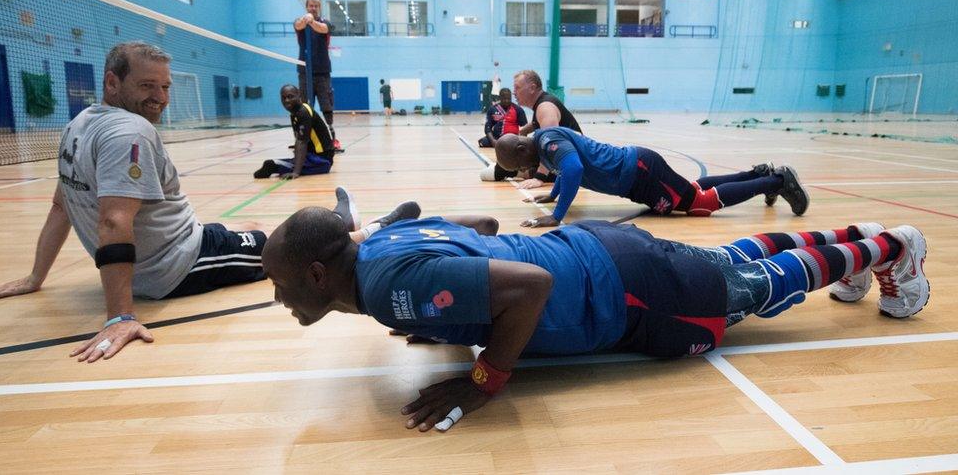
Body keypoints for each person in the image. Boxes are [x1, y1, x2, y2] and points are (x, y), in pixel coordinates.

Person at [264, 208, 929, 433]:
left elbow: (530, 287)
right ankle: (856, 234)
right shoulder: (383, 240)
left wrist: (485, 379)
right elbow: (482, 229)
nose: (278, 294)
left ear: (319, 274)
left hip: (624, 291)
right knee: (729, 261)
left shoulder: (385, 289)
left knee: (751, 285)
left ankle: (892, 245)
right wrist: (445, 309)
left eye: (280, 280)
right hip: (599, 245)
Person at [0, 42, 419, 363]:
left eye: (165, 86)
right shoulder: (129, 133)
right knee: (278, 253)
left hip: (182, 240)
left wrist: (35, 276)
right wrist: (119, 316)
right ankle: (363, 229)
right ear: (112, 82)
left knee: (250, 234)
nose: (160, 97)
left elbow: (62, 205)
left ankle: (349, 226)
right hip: (178, 265)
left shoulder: (77, 126)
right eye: (147, 85)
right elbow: (114, 222)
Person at [495, 128, 808, 227]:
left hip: (639, 173)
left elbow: (574, 168)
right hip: (638, 172)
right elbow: (566, 169)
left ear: (523, 149)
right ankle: (758, 174)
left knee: (699, 204)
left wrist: (556, 215)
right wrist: (553, 194)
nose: (524, 171)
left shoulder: (548, 142)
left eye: (520, 165)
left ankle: (779, 181)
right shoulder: (544, 145)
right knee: (693, 190)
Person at [509, 70, 582, 189]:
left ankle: (509, 171)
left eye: (517, 88)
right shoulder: (541, 104)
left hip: (574, 162)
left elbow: (551, 145)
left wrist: (539, 177)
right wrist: (522, 132)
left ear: (532, 88)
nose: (514, 92)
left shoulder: (545, 107)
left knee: (507, 169)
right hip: (568, 156)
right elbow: (537, 123)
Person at [254, 85, 334, 180]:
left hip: (322, 159)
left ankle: (278, 165)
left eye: (290, 96)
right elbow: (298, 139)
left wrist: (296, 172)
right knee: (292, 162)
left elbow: (302, 142)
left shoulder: (303, 112)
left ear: (298, 95)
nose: (287, 100)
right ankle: (281, 165)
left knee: (272, 164)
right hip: (311, 156)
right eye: (283, 98)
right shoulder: (295, 113)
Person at [295, 0, 342, 152]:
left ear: (319, 8)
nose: (313, 8)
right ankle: (303, 140)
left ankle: (332, 137)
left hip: (322, 72)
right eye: (310, 6)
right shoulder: (300, 21)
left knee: (326, 105)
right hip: (305, 72)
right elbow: (298, 25)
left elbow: (324, 29)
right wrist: (306, 20)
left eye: (316, 6)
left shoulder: (325, 22)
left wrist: (312, 22)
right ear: (306, 7)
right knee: (304, 107)